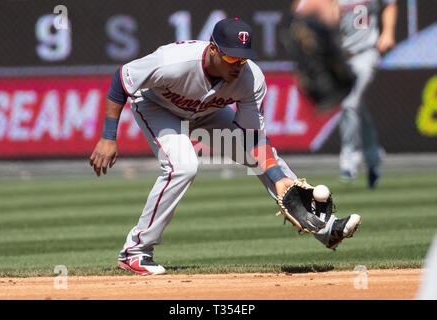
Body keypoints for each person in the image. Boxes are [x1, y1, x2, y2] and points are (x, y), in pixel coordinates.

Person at [89, 18, 361, 275]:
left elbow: (254, 137)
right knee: (183, 166)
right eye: (230, 56)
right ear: (212, 50)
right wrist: (108, 137)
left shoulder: (251, 79)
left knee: (268, 159)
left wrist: (278, 179)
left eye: (243, 58)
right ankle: (134, 251)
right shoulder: (172, 62)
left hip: (205, 113)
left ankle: (326, 229)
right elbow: (122, 79)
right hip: (157, 108)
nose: (237, 64)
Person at [337, 0, 397, 188]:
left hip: (365, 53)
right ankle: (373, 156)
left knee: (349, 103)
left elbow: (390, 4)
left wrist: (388, 32)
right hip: (341, 56)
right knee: (357, 107)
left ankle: (349, 158)